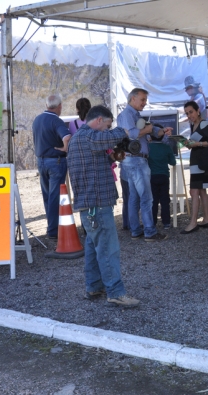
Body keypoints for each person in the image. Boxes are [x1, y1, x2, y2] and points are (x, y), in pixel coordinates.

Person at [67, 105, 139, 307]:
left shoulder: (81, 138)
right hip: (97, 205)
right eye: (107, 125)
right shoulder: (89, 135)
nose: (108, 130)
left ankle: (94, 286)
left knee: (94, 247)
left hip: (90, 205)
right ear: (99, 120)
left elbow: (93, 164)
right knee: (108, 248)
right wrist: (123, 131)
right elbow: (106, 138)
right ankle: (115, 292)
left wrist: (111, 157)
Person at [117, 88, 171, 242]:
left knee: (134, 197)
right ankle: (149, 232)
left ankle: (136, 230)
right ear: (133, 99)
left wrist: (162, 131)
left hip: (134, 160)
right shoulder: (127, 115)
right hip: (136, 160)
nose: (144, 103)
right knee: (146, 197)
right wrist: (147, 129)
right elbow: (133, 134)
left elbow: (152, 132)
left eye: (145, 100)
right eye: (142, 99)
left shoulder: (134, 115)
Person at [32, 93, 71, 239]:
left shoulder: (37, 119)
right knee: (56, 197)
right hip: (55, 161)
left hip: (41, 161)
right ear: (59, 106)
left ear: (46, 105)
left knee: (48, 196)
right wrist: (64, 148)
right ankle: (54, 231)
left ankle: (51, 227)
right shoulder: (56, 121)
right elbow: (67, 137)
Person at [181, 101, 208, 234]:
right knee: (201, 190)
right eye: (187, 113)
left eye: (191, 112)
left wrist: (197, 144)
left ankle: (193, 222)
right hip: (200, 161)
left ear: (198, 110)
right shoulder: (195, 124)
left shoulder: (203, 123)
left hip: (199, 162)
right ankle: (205, 219)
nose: (189, 115)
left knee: (194, 191)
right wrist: (191, 144)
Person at [148, 134, 176, 230]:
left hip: (151, 176)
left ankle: (153, 222)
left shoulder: (148, 147)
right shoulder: (166, 147)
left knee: (153, 200)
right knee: (165, 200)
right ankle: (166, 222)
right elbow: (173, 162)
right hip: (164, 175)